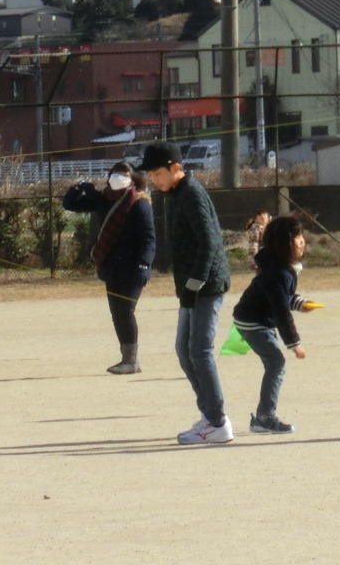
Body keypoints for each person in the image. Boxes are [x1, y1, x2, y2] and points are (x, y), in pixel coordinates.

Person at [138, 140, 233, 446]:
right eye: (151, 174)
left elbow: (209, 242)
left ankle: (217, 423)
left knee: (200, 351)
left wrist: (195, 283)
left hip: (206, 286)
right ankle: (209, 415)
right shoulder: (175, 194)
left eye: (157, 173)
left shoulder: (191, 193)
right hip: (191, 288)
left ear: (175, 168)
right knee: (184, 349)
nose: (154, 179)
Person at [61, 161, 155, 375]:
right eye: (115, 173)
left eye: (123, 174)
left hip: (133, 267)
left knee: (125, 310)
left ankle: (131, 360)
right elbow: (70, 204)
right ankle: (127, 358)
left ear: (133, 178)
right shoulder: (103, 199)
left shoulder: (140, 202)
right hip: (111, 266)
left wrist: (144, 265)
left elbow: (149, 238)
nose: (118, 177)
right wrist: (79, 187)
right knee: (117, 312)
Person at [233, 215, 313, 435]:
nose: (302, 241)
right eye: (297, 237)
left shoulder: (280, 267)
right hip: (253, 322)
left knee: (274, 363)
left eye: (301, 236)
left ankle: (264, 416)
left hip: (255, 319)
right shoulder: (278, 272)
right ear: (283, 244)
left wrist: (299, 303)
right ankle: (264, 418)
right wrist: (294, 343)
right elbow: (280, 311)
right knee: (276, 363)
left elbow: (281, 297)